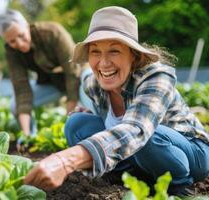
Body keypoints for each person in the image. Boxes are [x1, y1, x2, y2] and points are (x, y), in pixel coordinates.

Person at [24, 6, 209, 197]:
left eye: (114, 51)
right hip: (139, 155)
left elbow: (137, 129)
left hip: (191, 152)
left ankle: (178, 188)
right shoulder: (92, 84)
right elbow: (108, 128)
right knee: (76, 124)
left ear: (134, 55)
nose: (103, 63)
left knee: (149, 137)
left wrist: (65, 160)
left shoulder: (156, 76)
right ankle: (125, 178)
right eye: (95, 52)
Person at [0, 9, 95, 143]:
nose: (19, 43)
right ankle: (31, 136)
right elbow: (21, 88)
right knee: (14, 105)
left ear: (26, 25)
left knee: (90, 87)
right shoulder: (11, 52)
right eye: (12, 41)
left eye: (21, 35)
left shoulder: (52, 32)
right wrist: (25, 133)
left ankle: (100, 132)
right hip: (52, 84)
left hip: (77, 77)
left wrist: (67, 121)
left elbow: (72, 72)